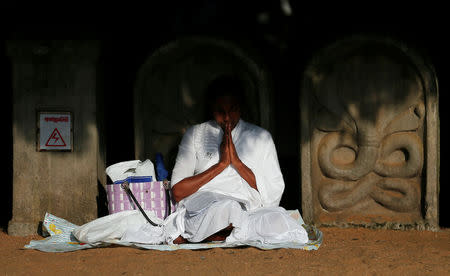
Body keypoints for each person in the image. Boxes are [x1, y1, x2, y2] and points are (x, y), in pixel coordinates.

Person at [167, 75, 308, 244]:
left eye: (232, 110)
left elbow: (273, 194)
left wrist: (237, 163)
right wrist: (221, 165)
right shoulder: (196, 134)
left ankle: (221, 235)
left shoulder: (261, 137)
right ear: (212, 109)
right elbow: (177, 192)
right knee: (228, 209)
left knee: (280, 220)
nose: (227, 118)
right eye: (221, 111)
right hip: (205, 210)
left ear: (240, 108)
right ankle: (225, 233)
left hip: (248, 211)